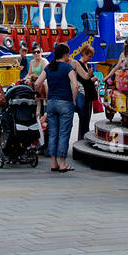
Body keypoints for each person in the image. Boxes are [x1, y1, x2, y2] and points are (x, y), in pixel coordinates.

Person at [35, 43, 80, 172]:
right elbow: (75, 85)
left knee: (53, 133)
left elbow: (38, 83)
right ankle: (63, 164)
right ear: (65, 55)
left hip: (51, 104)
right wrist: (73, 100)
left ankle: (54, 163)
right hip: (65, 102)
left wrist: (38, 95)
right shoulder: (67, 68)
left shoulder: (49, 67)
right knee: (64, 133)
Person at [72, 43, 98, 143]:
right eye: (89, 56)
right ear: (84, 53)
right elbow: (82, 79)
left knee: (86, 117)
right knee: (84, 117)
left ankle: (84, 137)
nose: (90, 58)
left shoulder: (88, 65)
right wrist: (91, 78)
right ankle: (82, 138)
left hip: (89, 94)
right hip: (83, 94)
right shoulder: (78, 64)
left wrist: (92, 78)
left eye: (91, 56)